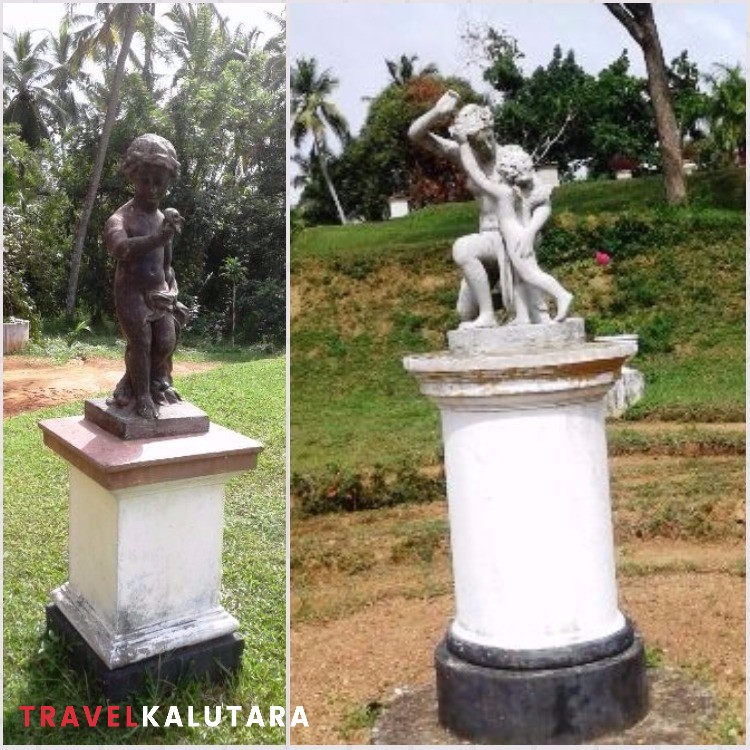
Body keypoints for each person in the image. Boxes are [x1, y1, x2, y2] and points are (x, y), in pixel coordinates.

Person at [408, 90, 547, 327]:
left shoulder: (511, 156)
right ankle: (495, 300)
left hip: (514, 236)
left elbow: (541, 200)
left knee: (462, 249)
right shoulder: (465, 154)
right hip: (487, 236)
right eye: (475, 139)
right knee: (464, 312)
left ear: (491, 129)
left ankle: (489, 315)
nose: (484, 143)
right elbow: (415, 135)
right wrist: (437, 113)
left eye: (487, 136)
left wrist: (531, 232)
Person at [104, 133, 188, 419]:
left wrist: (173, 289)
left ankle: (140, 380)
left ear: (168, 181)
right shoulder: (121, 218)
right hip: (131, 292)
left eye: (159, 182)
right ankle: (142, 396)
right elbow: (120, 248)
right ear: (133, 177)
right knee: (141, 342)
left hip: (161, 291)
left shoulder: (165, 218)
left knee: (166, 341)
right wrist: (158, 238)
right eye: (145, 180)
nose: (152, 188)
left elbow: (166, 263)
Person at [458, 139, 573, 322]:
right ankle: (522, 317)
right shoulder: (519, 193)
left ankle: (562, 295)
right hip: (518, 236)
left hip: (515, 239)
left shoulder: (503, 192)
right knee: (519, 278)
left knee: (530, 274)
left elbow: (474, 172)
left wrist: (463, 145)